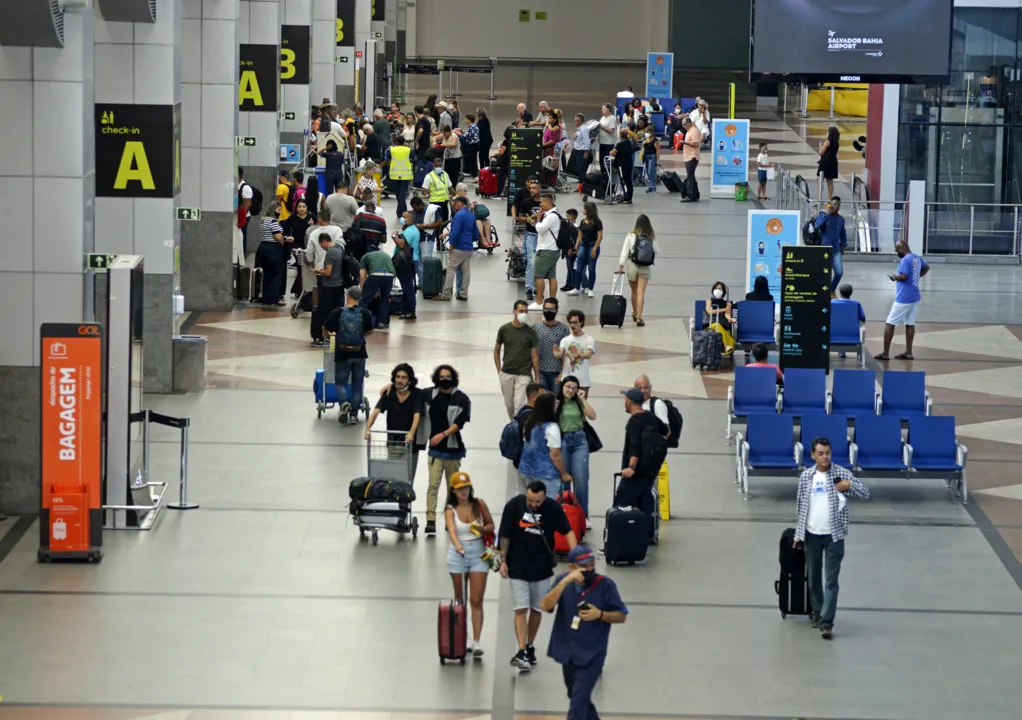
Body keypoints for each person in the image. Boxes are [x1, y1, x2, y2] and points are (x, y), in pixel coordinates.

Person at [795, 437, 871, 640]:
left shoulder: (841, 474)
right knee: (813, 579)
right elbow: (801, 507)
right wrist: (798, 534)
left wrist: (849, 486)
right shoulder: (806, 477)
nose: (824, 456)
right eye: (820, 453)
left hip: (834, 535)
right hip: (812, 534)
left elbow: (865, 493)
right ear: (812, 455)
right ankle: (818, 613)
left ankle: (827, 623)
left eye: (827, 452)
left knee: (831, 580)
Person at [541, 545, 628, 720]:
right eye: (584, 566)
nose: (589, 569)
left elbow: (621, 616)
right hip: (568, 653)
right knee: (576, 698)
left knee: (577, 709)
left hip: (592, 655)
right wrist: (565, 582)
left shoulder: (605, 585)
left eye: (591, 565)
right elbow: (545, 605)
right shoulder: (562, 581)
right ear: (572, 567)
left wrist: (600, 614)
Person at [498, 480, 577, 670]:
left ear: (544, 497)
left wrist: (576, 557)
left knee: (536, 609)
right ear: (527, 494)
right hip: (517, 566)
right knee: (520, 609)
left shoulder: (553, 508)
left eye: (538, 502)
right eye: (531, 500)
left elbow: (568, 532)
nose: (534, 505)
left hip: (541, 568)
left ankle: (530, 645)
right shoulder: (514, 506)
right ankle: (521, 650)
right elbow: (505, 535)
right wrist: (503, 560)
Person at [443, 472, 494, 658]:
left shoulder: (479, 505)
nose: (464, 491)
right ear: (453, 490)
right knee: (460, 600)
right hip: (458, 555)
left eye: (466, 487)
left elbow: (491, 525)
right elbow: (452, 530)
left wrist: (483, 528)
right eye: (460, 488)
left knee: (476, 600)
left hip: (479, 553)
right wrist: (458, 546)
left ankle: (477, 640)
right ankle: (463, 636)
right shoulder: (450, 509)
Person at [419, 365, 472, 536]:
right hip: (435, 452)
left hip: (453, 450)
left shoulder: (462, 398)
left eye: (447, 376)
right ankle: (431, 520)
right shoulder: (428, 394)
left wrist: (443, 435)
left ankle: (450, 520)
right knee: (433, 485)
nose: (444, 379)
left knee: (452, 488)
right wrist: (390, 386)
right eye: (441, 376)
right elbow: (410, 392)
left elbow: (460, 422)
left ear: (453, 377)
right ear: (436, 378)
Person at [323, 286, 373, 424]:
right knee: (357, 384)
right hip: (360, 352)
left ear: (348, 296)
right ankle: (353, 415)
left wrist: (330, 335)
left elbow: (326, 327)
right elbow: (370, 331)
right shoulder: (364, 313)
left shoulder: (338, 312)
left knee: (340, 382)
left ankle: (344, 402)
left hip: (342, 352)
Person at [874, 240, 930, 361]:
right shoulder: (916, 257)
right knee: (910, 323)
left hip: (904, 298)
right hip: (915, 296)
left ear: (902, 248)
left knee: (890, 324)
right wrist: (916, 277)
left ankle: (885, 353)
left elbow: (904, 276)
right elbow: (926, 268)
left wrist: (894, 277)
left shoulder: (905, 260)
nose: (896, 251)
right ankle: (908, 352)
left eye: (897, 249)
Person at [617, 387, 666, 509]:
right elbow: (666, 431)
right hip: (650, 471)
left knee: (622, 504)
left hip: (636, 473)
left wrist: (631, 467)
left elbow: (635, 446)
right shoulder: (650, 416)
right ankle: (647, 528)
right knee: (645, 503)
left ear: (630, 401)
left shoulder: (634, 421)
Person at [555, 376, 596, 519]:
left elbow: (593, 416)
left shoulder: (579, 403)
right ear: (562, 387)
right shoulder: (556, 403)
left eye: (574, 387)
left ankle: (582, 516)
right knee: (563, 479)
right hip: (563, 441)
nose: (570, 390)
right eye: (568, 386)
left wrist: (583, 399)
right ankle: (563, 514)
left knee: (581, 480)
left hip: (580, 441)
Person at [519, 393, 573, 498]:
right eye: (555, 402)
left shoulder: (528, 424)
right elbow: (555, 455)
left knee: (527, 504)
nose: (558, 404)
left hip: (525, 470)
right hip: (546, 474)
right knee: (547, 507)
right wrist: (564, 473)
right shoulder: (552, 427)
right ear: (549, 406)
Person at [495, 300, 540, 419]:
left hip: (524, 374)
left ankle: (519, 428)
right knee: (509, 406)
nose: (524, 313)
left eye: (526, 311)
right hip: (507, 372)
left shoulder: (531, 332)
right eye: (521, 311)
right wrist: (499, 371)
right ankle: (513, 426)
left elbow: (534, 355)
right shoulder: (504, 329)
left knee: (519, 405)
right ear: (514, 312)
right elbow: (497, 350)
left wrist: (537, 376)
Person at [364, 363, 422, 449]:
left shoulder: (417, 394)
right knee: (392, 461)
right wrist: (367, 429)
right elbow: (375, 412)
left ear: (410, 379)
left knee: (410, 462)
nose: (400, 380)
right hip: (393, 441)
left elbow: (417, 415)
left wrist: (411, 433)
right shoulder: (389, 393)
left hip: (410, 442)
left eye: (403, 377)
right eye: (397, 377)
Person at [435, 196, 478, 301]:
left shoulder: (458, 215)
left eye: (455, 203)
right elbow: (475, 232)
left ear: (461, 204)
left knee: (451, 268)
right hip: (468, 247)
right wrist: (468, 240)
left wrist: (452, 244)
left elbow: (456, 232)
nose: (453, 206)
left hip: (459, 247)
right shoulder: (471, 214)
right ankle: (463, 293)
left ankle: (446, 294)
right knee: (466, 270)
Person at [617, 214, 657, 327]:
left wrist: (621, 266)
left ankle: (634, 313)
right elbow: (657, 251)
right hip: (645, 267)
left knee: (634, 292)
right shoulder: (650, 237)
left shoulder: (630, 236)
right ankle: (639, 317)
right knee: (641, 293)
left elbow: (625, 251)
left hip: (632, 265)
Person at [311, 232, 348, 347]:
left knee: (321, 311)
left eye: (321, 245)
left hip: (330, 286)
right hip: (339, 285)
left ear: (324, 242)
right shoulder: (340, 248)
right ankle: (336, 336)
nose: (322, 248)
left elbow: (328, 272)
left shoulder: (331, 252)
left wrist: (318, 271)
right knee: (336, 311)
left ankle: (319, 337)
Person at [512, 177, 543, 304]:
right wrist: (529, 219)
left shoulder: (545, 202)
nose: (532, 190)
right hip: (530, 234)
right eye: (530, 188)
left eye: (534, 188)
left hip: (543, 236)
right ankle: (529, 288)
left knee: (539, 262)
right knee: (531, 260)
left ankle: (537, 287)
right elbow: (520, 217)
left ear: (540, 189)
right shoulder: (526, 202)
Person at [255, 203, 292, 306]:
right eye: (278, 210)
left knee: (267, 275)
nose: (279, 212)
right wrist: (286, 239)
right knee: (277, 273)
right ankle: (275, 298)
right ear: (273, 210)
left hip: (262, 247)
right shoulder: (273, 221)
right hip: (273, 249)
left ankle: (267, 298)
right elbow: (278, 237)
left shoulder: (263, 219)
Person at [533, 298, 570, 392]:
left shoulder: (564, 329)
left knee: (556, 401)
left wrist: (563, 373)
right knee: (542, 401)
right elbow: (533, 353)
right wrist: (536, 375)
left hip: (557, 373)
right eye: (546, 309)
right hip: (541, 372)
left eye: (552, 309)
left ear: (556, 310)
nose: (548, 311)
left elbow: (567, 354)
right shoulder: (535, 328)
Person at [533, 193, 563, 308]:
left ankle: (539, 302)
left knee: (538, 276)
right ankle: (552, 301)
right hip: (553, 249)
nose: (540, 204)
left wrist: (538, 220)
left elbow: (540, 229)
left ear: (547, 203)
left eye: (541, 202)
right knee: (551, 276)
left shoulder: (551, 216)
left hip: (546, 250)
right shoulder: (555, 214)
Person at [555, 310, 596, 394]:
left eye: (575, 322)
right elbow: (561, 354)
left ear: (581, 322)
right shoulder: (565, 340)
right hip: (567, 381)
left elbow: (589, 354)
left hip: (583, 381)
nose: (572, 325)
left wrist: (579, 355)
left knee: (581, 406)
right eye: (570, 323)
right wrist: (558, 354)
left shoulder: (589, 339)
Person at [568, 202, 602, 299]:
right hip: (583, 245)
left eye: (584, 209)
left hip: (592, 245)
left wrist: (595, 249)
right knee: (579, 268)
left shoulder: (597, 222)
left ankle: (590, 288)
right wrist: (577, 248)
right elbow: (580, 236)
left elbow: (600, 236)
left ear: (588, 210)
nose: (583, 210)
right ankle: (577, 288)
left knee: (591, 268)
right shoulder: (583, 221)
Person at [813, 197, 848, 291]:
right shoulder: (823, 215)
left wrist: (843, 245)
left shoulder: (841, 219)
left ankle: (831, 290)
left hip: (836, 251)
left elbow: (843, 233)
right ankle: (821, 290)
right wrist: (827, 213)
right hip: (824, 250)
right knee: (824, 273)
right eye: (834, 204)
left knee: (839, 273)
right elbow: (816, 225)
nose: (836, 207)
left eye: (838, 205)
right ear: (830, 205)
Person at [358, 244, 396, 329]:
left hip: (375, 275)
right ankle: (382, 322)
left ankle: (359, 319)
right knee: (385, 299)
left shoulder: (365, 256)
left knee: (365, 299)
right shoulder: (385, 255)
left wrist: (362, 289)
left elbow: (362, 276)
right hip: (390, 276)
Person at [411, 196, 443, 287]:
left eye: (416, 207)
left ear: (421, 204)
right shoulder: (414, 211)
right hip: (416, 239)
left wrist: (424, 226)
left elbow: (439, 223)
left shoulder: (432, 209)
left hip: (427, 239)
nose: (415, 210)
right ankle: (421, 283)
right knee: (418, 262)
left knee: (426, 262)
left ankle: (428, 283)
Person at [390, 217, 419, 320]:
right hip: (408, 260)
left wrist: (394, 235)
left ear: (410, 220)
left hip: (406, 262)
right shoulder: (411, 229)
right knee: (407, 287)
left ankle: (410, 311)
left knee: (408, 288)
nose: (402, 219)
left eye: (404, 217)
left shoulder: (410, 231)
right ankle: (406, 308)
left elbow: (401, 244)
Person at [633, 375, 672, 442]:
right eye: (640, 388)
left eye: (645, 388)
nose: (643, 391)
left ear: (650, 388)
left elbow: (666, 432)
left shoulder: (657, 404)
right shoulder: (637, 405)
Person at [833, 283, 867, 358]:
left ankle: (841, 351)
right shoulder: (857, 304)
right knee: (846, 327)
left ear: (840, 292)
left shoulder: (831, 303)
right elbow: (863, 318)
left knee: (839, 326)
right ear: (851, 293)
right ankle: (842, 351)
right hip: (852, 336)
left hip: (832, 336)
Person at [384, 135, 413, 219]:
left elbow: (386, 159)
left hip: (395, 175)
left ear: (396, 141)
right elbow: (414, 159)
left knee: (398, 193)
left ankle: (400, 211)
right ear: (404, 142)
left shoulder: (392, 149)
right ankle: (402, 211)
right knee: (403, 192)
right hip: (406, 175)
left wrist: (380, 165)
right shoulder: (408, 150)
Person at [704, 280, 735, 355]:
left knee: (718, 325)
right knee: (716, 325)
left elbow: (727, 314)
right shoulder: (709, 301)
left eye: (720, 289)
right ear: (713, 290)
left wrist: (730, 319)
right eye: (716, 288)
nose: (717, 290)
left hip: (723, 327)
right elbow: (709, 311)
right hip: (710, 327)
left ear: (723, 291)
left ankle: (726, 345)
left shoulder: (727, 303)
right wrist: (723, 309)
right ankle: (726, 345)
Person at [423, 156, 454, 223]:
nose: (438, 167)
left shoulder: (445, 174)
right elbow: (423, 190)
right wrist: (426, 191)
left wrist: (457, 196)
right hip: (435, 203)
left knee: (445, 221)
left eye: (439, 165)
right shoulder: (429, 176)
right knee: (437, 222)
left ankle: (441, 232)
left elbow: (450, 187)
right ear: (433, 166)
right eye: (436, 166)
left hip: (445, 203)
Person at [608, 128, 634, 204]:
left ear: (620, 135)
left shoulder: (620, 144)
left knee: (624, 181)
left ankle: (626, 197)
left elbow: (612, 153)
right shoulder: (628, 142)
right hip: (629, 164)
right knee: (628, 180)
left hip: (621, 165)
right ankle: (629, 197)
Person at [680, 117, 701, 202]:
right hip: (688, 156)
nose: (683, 126)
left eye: (684, 124)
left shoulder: (694, 131)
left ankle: (691, 195)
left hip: (692, 156)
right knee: (691, 176)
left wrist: (684, 142)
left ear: (689, 123)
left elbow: (696, 144)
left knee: (690, 177)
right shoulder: (689, 131)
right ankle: (695, 194)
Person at [560, 208, 580, 293]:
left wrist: (573, 249)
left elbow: (575, 240)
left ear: (573, 217)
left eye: (568, 216)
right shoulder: (569, 227)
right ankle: (568, 283)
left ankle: (573, 284)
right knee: (569, 267)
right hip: (567, 249)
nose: (567, 217)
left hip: (572, 250)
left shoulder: (576, 227)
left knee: (572, 267)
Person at [817, 126, 840, 200]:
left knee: (820, 180)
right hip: (833, 161)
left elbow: (821, 153)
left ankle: (819, 199)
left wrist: (820, 145)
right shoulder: (836, 143)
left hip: (825, 162)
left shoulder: (827, 142)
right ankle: (829, 200)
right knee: (830, 181)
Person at [570, 113, 592, 190]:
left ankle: (581, 188)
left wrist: (586, 152)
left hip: (582, 152)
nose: (575, 122)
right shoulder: (580, 129)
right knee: (579, 170)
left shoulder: (583, 129)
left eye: (577, 120)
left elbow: (587, 141)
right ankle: (581, 187)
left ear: (581, 121)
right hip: (578, 151)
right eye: (575, 120)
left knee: (582, 170)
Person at [641, 123, 660, 193]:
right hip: (646, 157)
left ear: (652, 132)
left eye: (648, 132)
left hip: (652, 156)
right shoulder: (646, 140)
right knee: (647, 172)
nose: (646, 133)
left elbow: (658, 150)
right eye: (646, 132)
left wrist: (658, 160)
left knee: (651, 171)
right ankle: (650, 185)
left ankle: (653, 186)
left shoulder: (655, 141)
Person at [476, 108, 493, 178]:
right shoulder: (481, 120)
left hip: (485, 142)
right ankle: (483, 170)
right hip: (483, 141)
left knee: (484, 156)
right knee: (482, 156)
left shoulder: (485, 121)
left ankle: (486, 170)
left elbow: (484, 133)